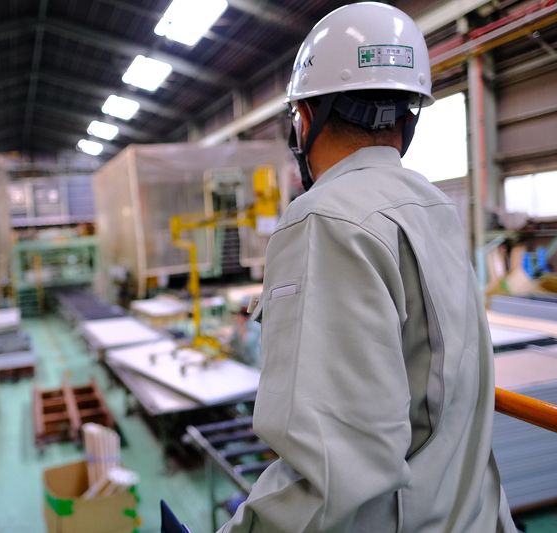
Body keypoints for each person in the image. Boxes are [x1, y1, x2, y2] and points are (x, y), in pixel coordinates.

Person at [220, 3, 517, 532]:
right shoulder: (435, 207)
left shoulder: (323, 220)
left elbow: (336, 470)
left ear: (304, 118)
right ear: (409, 118)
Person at [229, 297, 262, 367]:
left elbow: (249, 343)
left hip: (254, 365)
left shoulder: (255, 325)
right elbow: (233, 343)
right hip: (243, 363)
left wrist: (241, 327)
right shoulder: (241, 325)